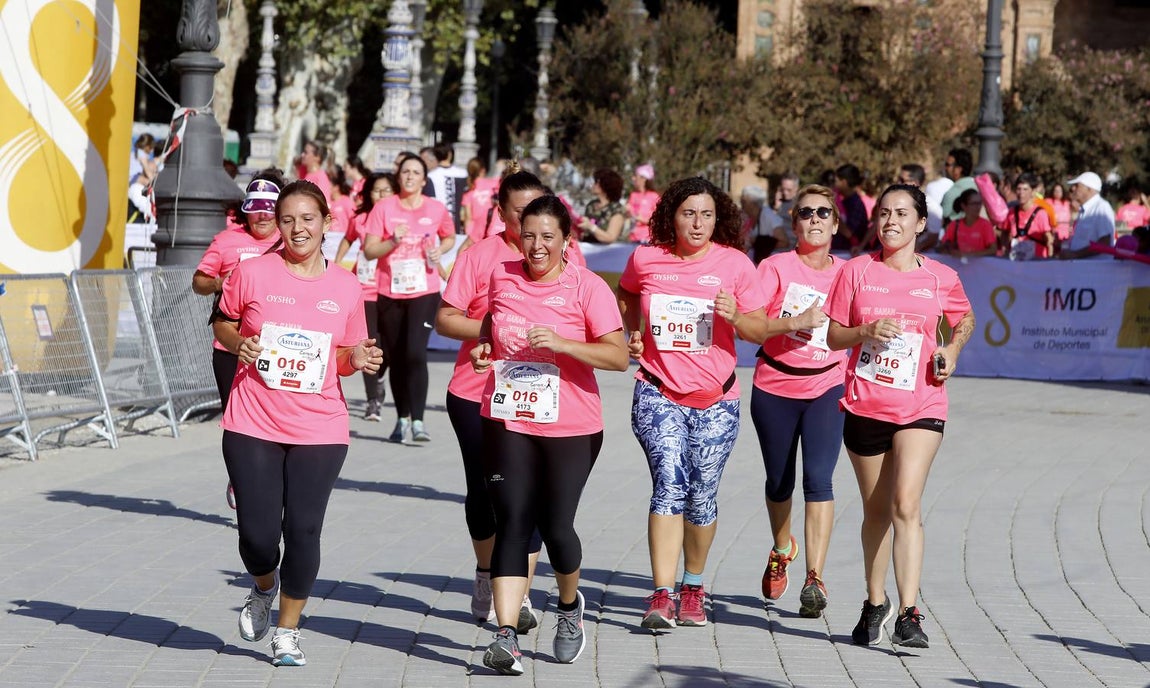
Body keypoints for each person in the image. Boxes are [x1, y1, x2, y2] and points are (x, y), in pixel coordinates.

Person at [211, 180, 383, 667]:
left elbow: (346, 356)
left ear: (328, 222)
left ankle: (287, 631)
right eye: (287, 220)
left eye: (308, 218)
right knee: (258, 536)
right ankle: (263, 587)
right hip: (253, 419)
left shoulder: (346, 285)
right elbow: (223, 320)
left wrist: (360, 357)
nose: (297, 228)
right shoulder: (252, 272)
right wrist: (236, 341)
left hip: (320, 427)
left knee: (304, 530)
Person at [471, 195, 628, 675]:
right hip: (507, 417)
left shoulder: (587, 287)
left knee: (557, 527)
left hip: (571, 424)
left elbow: (619, 357)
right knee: (513, 521)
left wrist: (562, 344)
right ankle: (504, 635)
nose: (536, 246)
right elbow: (490, 327)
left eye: (548, 237)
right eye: (529, 235)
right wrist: (482, 351)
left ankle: (567, 605)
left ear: (566, 240)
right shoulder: (503, 275)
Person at [825, 183, 974, 649]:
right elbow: (832, 336)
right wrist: (865, 330)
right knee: (876, 512)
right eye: (884, 213)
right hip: (866, 404)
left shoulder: (940, 277)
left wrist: (951, 347)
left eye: (901, 213)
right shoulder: (855, 271)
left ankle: (910, 613)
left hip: (922, 404)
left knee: (905, 504)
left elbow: (964, 318)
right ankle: (875, 602)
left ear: (921, 223)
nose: (891, 221)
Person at [618, 177, 769, 630]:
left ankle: (693, 587)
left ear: (718, 217)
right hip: (658, 390)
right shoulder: (647, 258)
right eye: (688, 213)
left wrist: (736, 317)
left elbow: (759, 331)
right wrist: (633, 332)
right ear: (672, 216)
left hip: (717, 398)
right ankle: (661, 594)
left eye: (706, 214)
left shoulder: (736, 265)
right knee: (668, 484)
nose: (698, 223)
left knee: (702, 496)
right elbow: (626, 293)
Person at [435, 169, 552, 633]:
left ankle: (518, 594)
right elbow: (445, 319)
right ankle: (486, 572)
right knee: (486, 494)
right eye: (519, 211)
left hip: (540, 394)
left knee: (533, 498)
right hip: (475, 393)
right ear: (500, 212)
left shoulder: (564, 252)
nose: (529, 222)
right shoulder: (480, 256)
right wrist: (491, 328)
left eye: (537, 209)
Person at [751, 185, 847, 619]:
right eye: (805, 212)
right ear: (793, 225)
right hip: (775, 386)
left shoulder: (849, 273)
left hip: (828, 385)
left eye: (822, 212)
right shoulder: (774, 267)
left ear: (835, 223)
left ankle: (814, 577)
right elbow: (749, 325)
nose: (814, 219)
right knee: (778, 483)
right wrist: (795, 321)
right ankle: (781, 546)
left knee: (819, 481)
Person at [194, 170, 286, 510]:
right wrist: (222, 282)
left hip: (278, 346)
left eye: (270, 208)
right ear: (244, 209)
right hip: (231, 344)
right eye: (255, 207)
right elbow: (198, 282)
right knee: (235, 419)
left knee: (274, 417)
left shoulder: (290, 240)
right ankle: (240, 476)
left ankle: (270, 478)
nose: (262, 215)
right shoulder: (227, 241)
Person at [362, 152, 455, 442]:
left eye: (416, 172)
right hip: (389, 291)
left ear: (424, 179)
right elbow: (369, 251)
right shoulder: (384, 208)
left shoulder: (436, 208)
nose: (411, 176)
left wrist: (442, 250)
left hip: (423, 291)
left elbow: (449, 236)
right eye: (406, 172)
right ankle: (402, 418)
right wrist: (393, 241)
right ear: (398, 177)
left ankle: (419, 420)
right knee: (397, 356)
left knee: (415, 352)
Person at [335, 173, 398, 421]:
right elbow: (348, 239)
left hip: (394, 289)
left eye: (387, 190)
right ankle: (373, 400)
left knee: (390, 348)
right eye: (376, 190)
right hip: (364, 288)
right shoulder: (360, 217)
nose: (381, 195)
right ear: (368, 193)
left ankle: (380, 377)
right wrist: (337, 264)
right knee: (368, 343)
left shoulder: (401, 218)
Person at [1061, 172, 1115, 260]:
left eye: (1077, 186)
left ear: (1089, 189)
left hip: (1095, 271)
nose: (1073, 189)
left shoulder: (1101, 207)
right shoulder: (1085, 209)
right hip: (1084, 269)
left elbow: (1104, 243)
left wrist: (1075, 254)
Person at [1002, 173, 1055, 260]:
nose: (1021, 193)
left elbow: (1049, 239)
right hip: (1016, 260)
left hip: (1036, 262)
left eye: (1025, 189)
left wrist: (1049, 259)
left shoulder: (1040, 214)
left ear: (1033, 192)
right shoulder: (1011, 212)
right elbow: (1004, 233)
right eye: (1019, 189)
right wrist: (1006, 251)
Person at [939, 189, 997, 258]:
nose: (978, 207)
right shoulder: (954, 225)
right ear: (963, 206)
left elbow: (993, 250)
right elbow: (943, 246)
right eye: (974, 204)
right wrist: (950, 250)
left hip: (979, 268)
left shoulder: (986, 225)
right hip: (957, 267)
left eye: (979, 203)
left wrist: (968, 255)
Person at [425, 143, 469, 233]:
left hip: (438, 222)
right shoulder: (463, 173)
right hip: (459, 223)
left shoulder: (430, 176)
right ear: (450, 154)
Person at [578, 168, 627, 244]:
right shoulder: (591, 205)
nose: (593, 185)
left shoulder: (617, 209)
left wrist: (591, 227)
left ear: (606, 185)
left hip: (606, 253)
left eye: (596, 182)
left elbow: (611, 237)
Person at [460, 157, 500, 245]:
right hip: (491, 226)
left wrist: (468, 234)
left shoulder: (468, 191)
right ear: (483, 170)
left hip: (475, 232)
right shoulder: (494, 183)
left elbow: (468, 218)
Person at [740, 185, 786, 263]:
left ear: (753, 203)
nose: (741, 203)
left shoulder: (768, 216)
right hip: (757, 260)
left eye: (744, 201)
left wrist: (760, 243)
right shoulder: (749, 217)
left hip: (770, 261)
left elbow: (784, 242)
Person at [834, 164, 868, 252]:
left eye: (836, 181)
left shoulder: (856, 204)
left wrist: (833, 216)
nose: (835, 185)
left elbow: (850, 232)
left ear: (844, 182)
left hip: (849, 253)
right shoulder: (845, 202)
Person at [939, 148, 976, 223]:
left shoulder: (952, 193)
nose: (945, 168)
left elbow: (944, 222)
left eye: (948, 165)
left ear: (958, 169)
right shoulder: (978, 187)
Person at [627, 164, 661, 243]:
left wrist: (641, 219)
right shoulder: (633, 195)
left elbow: (659, 220)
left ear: (644, 179)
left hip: (647, 239)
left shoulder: (654, 196)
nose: (633, 178)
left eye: (636, 176)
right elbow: (629, 215)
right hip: (632, 238)